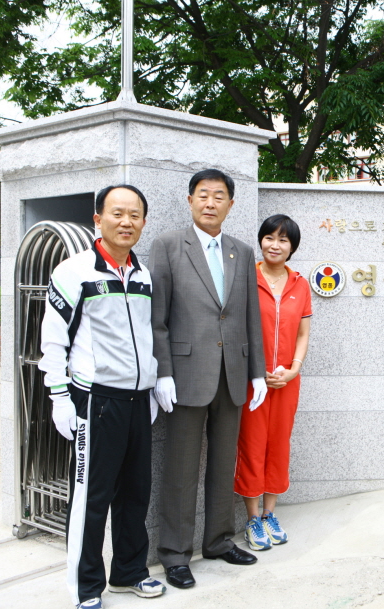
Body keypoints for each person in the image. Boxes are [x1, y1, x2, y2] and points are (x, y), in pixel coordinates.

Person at [39, 185, 165, 609]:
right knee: (91, 500)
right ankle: (84, 587)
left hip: (137, 401)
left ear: (144, 222)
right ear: (98, 218)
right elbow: (53, 342)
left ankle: (129, 572)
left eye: (135, 215)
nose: (126, 221)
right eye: (117, 213)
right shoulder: (74, 272)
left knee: (135, 493)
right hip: (96, 402)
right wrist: (59, 396)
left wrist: (154, 380)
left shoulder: (144, 274)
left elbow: (146, 337)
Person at [150, 168, 268, 590]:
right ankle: (175, 554)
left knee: (223, 463)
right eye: (203, 195)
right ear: (190, 200)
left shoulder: (239, 250)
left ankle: (218, 539)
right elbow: (157, 319)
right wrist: (162, 372)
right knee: (181, 469)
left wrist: (256, 372)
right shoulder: (167, 247)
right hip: (184, 376)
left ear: (231, 205)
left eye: (219, 196)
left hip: (232, 374)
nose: (210, 203)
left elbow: (250, 317)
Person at [234, 214, 312, 550]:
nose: (274, 245)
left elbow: (304, 333)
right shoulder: (246, 278)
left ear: (292, 247)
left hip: (287, 382)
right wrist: (256, 369)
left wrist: (293, 369)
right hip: (253, 381)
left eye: (283, 240)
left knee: (278, 446)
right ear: (261, 241)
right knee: (251, 447)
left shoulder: (300, 284)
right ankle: (252, 519)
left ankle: (269, 514)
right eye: (269, 238)